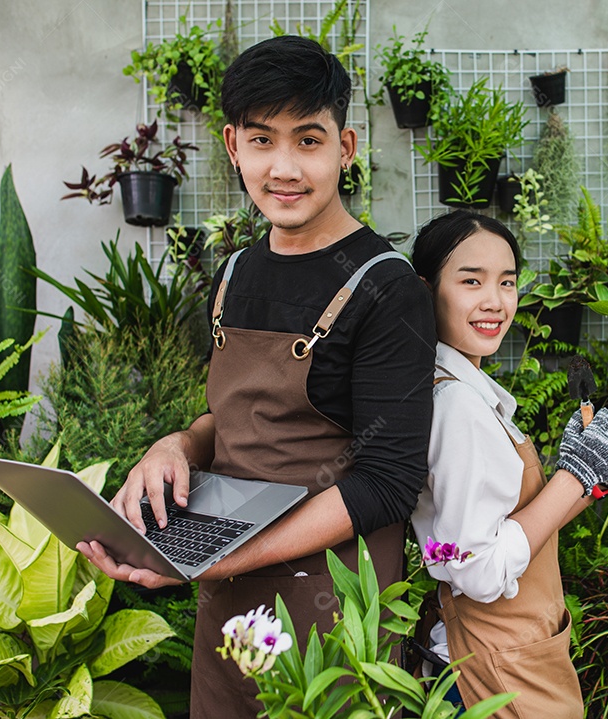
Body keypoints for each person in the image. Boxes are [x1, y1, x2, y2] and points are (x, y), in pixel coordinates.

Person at [77, 36, 436, 718]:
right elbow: (232, 418)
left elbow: (388, 481)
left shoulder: (388, 290)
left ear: (346, 148)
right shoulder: (236, 272)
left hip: (333, 613)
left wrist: (223, 558)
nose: (284, 168)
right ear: (233, 146)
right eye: (262, 140)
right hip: (227, 606)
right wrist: (177, 444)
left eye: (308, 141)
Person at [407, 210, 608, 718]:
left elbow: (518, 525)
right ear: (426, 290)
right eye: (471, 281)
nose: (495, 301)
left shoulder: (468, 392)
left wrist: (605, 477)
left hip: (515, 655)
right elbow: (478, 569)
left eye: (507, 282)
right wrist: (574, 474)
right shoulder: (456, 405)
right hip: (489, 674)